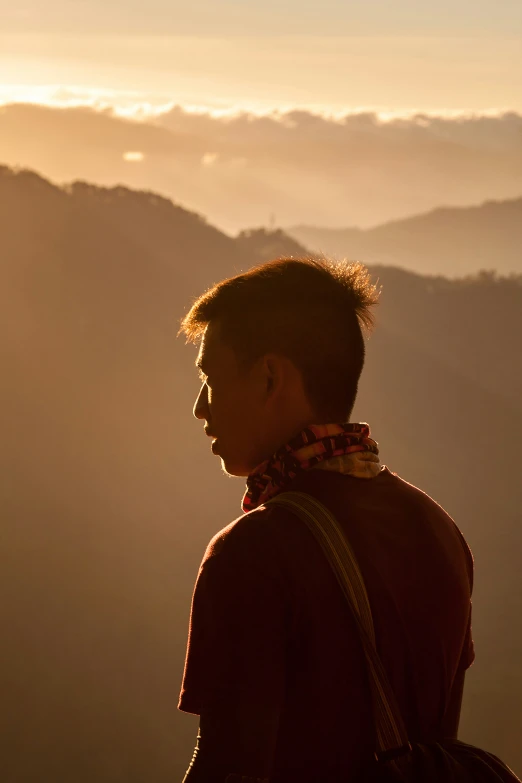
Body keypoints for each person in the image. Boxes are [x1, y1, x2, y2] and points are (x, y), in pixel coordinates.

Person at [177, 258, 475, 783]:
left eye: (210, 378)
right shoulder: (438, 530)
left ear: (269, 377)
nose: (200, 408)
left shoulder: (253, 553)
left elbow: (228, 768)